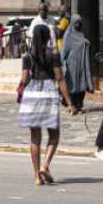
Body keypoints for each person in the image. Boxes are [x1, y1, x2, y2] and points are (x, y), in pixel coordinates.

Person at [17, 24, 73, 186]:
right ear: (48, 38)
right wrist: (69, 102)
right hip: (48, 92)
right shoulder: (53, 55)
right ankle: (45, 165)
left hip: (33, 93)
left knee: (35, 137)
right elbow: (60, 79)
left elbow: (24, 79)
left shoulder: (27, 56)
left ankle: (36, 177)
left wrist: (21, 86)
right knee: (54, 134)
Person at [59, 15, 92, 114]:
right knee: (72, 83)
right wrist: (61, 62)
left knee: (82, 83)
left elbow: (81, 42)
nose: (78, 25)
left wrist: (86, 43)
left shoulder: (81, 33)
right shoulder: (68, 34)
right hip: (72, 63)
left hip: (82, 63)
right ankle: (71, 104)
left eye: (79, 22)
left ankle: (79, 104)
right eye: (76, 22)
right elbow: (65, 49)